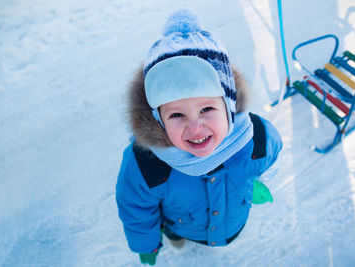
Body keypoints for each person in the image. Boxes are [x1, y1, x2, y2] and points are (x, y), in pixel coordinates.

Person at [116, 9, 282, 266]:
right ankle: (174, 235)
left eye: (207, 109)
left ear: (228, 104)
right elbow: (135, 207)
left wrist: (257, 179)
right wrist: (146, 243)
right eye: (177, 115)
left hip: (234, 219)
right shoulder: (145, 162)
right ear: (158, 119)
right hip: (181, 225)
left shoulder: (255, 137)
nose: (195, 128)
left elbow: (273, 155)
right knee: (174, 232)